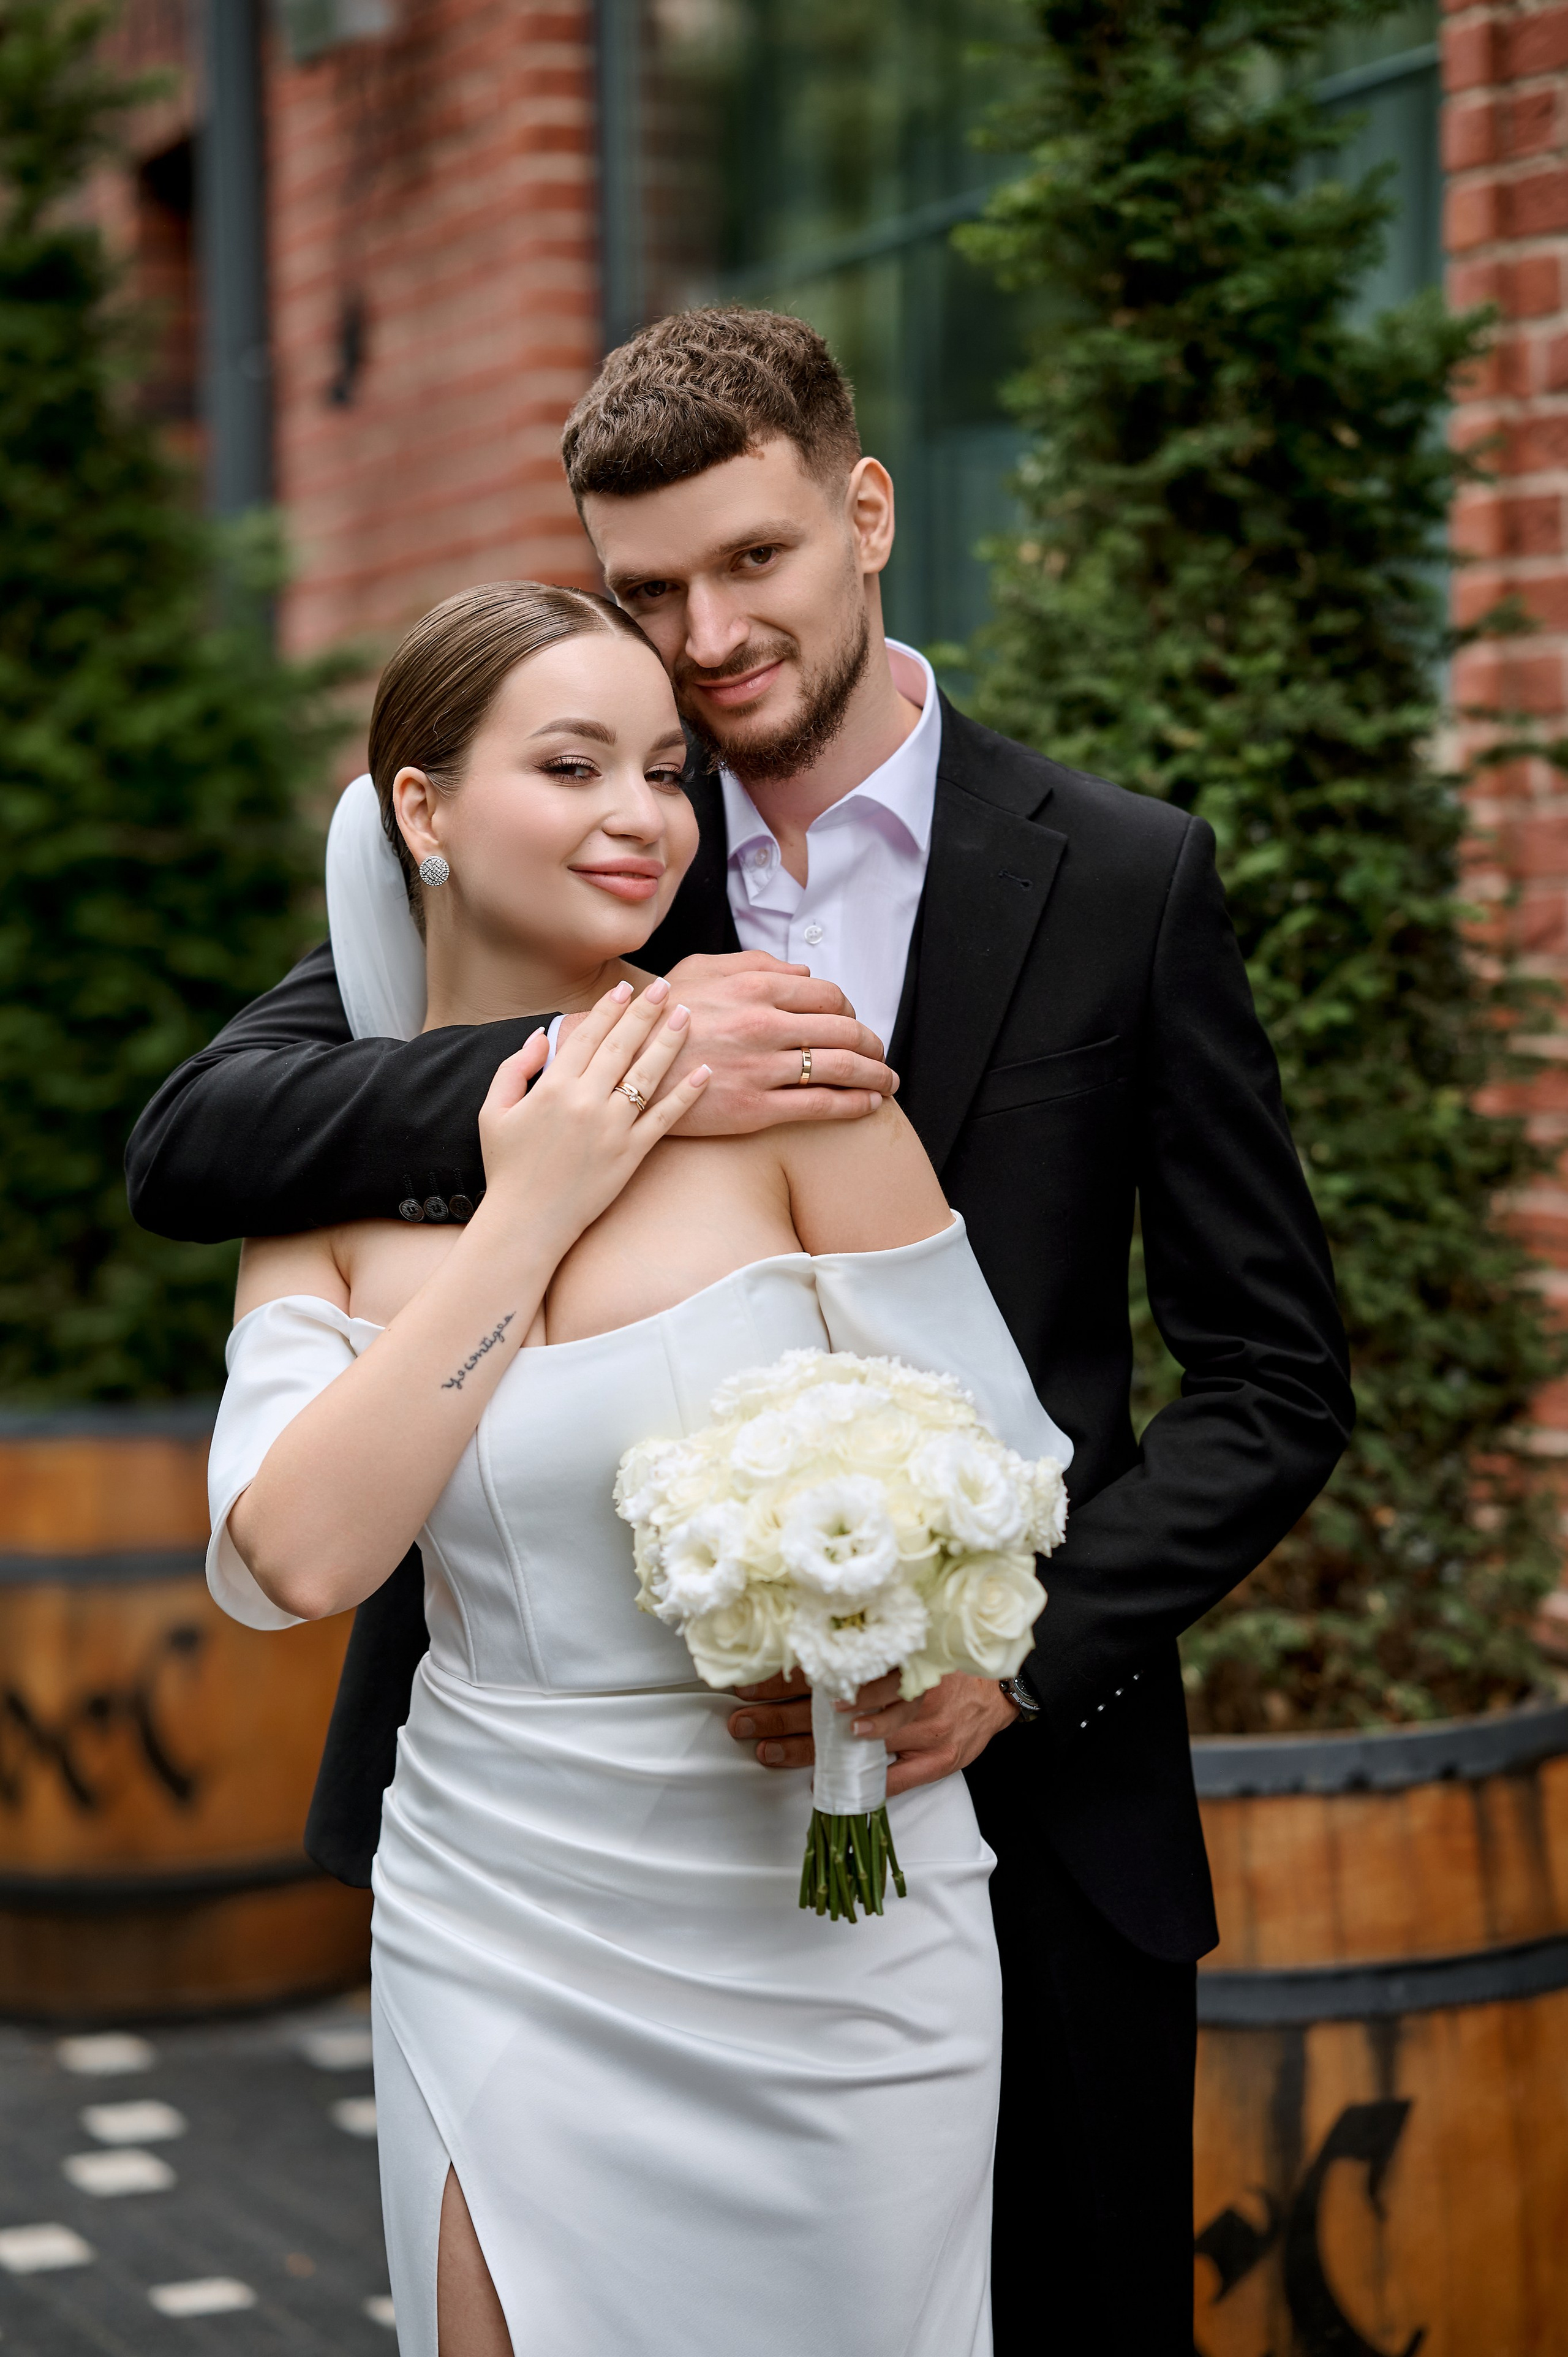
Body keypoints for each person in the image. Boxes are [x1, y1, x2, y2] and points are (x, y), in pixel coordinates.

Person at [129, 309, 1354, 2354]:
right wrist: (597, 1066)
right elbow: (206, 1135)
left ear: (866, 515)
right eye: (647, 593)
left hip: (1021, 1814)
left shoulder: (1124, 878)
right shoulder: (595, 855)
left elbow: (1272, 1377)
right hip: (546, 1844)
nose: (702, 638)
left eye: (753, 560)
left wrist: (1003, 1661)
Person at [206, 577, 1069, 2355]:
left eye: (668, 771)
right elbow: (301, 1560)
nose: (641, 817)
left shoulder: (795, 1079)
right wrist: (530, 1209)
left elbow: (1004, 1465)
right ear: (423, 810)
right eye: (572, 765)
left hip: (834, 1932)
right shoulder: (318, 1176)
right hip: (503, 1906)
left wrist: (946, 1658)